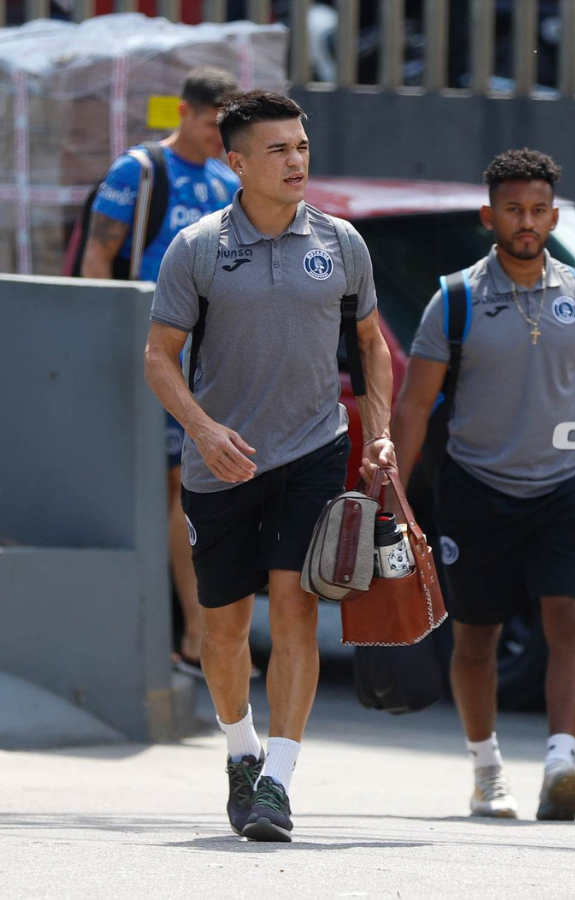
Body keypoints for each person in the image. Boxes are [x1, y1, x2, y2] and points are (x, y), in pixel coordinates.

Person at [143, 90, 395, 842]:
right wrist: (202, 427)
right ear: (238, 163)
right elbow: (159, 356)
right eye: (278, 150)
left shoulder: (343, 243)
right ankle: (242, 751)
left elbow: (373, 343)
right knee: (223, 632)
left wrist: (376, 434)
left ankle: (278, 781)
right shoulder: (196, 248)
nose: (295, 162)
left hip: (313, 453)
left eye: (301, 148)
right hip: (222, 463)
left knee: (295, 607)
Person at [389, 149, 575, 822]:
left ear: (553, 215)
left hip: (566, 487)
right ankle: (486, 768)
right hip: (477, 488)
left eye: (536, 211)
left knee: (570, 619)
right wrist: (394, 491)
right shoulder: (457, 299)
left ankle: (562, 765)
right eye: (512, 210)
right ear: (488, 216)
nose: (525, 223)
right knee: (476, 639)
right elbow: (413, 405)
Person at [83, 66, 242, 676]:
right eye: (209, 123)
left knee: (189, 485)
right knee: (176, 484)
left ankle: (194, 633)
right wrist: (112, 336)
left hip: (205, 356)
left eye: (225, 127)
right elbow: (100, 253)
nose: (215, 136)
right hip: (150, 350)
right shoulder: (140, 171)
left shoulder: (227, 177)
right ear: (183, 112)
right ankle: (193, 634)